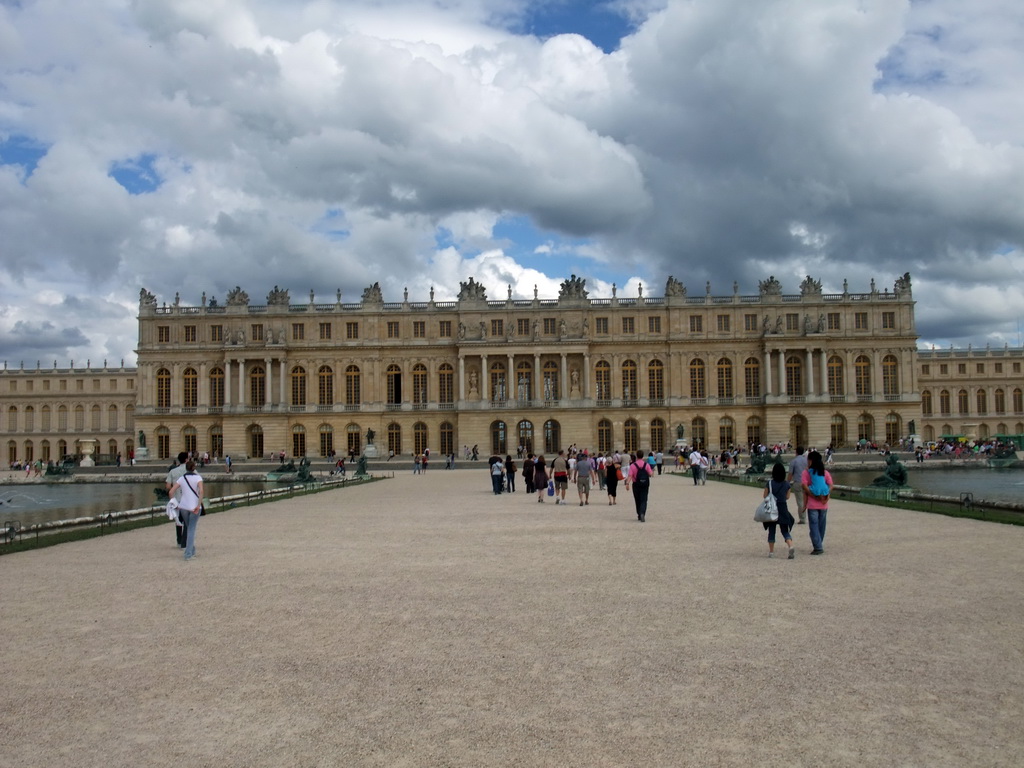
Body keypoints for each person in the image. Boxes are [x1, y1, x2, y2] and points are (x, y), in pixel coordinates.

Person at [169, 460, 204, 561]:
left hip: (183, 507)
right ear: (194, 468)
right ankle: (188, 554)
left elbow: (171, 492)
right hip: (194, 507)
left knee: (189, 528)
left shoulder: (182, 478)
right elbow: (201, 491)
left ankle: (192, 550)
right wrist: (198, 504)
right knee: (191, 529)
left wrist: (174, 503)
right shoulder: (198, 477)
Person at [801, 450, 833, 555]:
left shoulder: (806, 472)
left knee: (814, 526)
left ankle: (818, 546)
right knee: (821, 526)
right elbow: (831, 485)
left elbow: (804, 487)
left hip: (812, 504)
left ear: (810, 461)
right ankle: (819, 544)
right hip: (824, 504)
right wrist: (826, 495)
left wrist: (813, 495)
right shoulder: (825, 472)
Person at [762, 462, 795, 559]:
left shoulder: (770, 483)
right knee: (785, 530)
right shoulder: (786, 484)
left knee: (771, 530)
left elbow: (765, 496)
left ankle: (771, 552)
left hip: (772, 508)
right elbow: (787, 497)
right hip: (783, 508)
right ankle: (791, 545)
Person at [165, 451, 190, 549]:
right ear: (187, 459)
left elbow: (167, 486)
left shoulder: (173, 471)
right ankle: (185, 542)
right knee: (187, 522)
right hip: (187, 500)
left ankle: (179, 541)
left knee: (178, 522)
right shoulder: (191, 471)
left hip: (176, 499)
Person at [626, 451, 654, 521]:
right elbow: (651, 474)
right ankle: (642, 513)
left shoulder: (633, 465)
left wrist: (627, 483)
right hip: (644, 484)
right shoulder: (646, 464)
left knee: (637, 499)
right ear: (643, 456)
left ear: (636, 456)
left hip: (636, 484)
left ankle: (639, 513)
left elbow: (630, 476)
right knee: (644, 500)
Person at [787, 446, 809, 525]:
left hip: (798, 482)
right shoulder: (807, 460)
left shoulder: (794, 461)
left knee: (800, 502)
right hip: (807, 483)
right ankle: (811, 516)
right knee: (808, 501)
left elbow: (790, 474)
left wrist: (787, 483)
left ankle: (803, 519)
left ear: (796, 452)